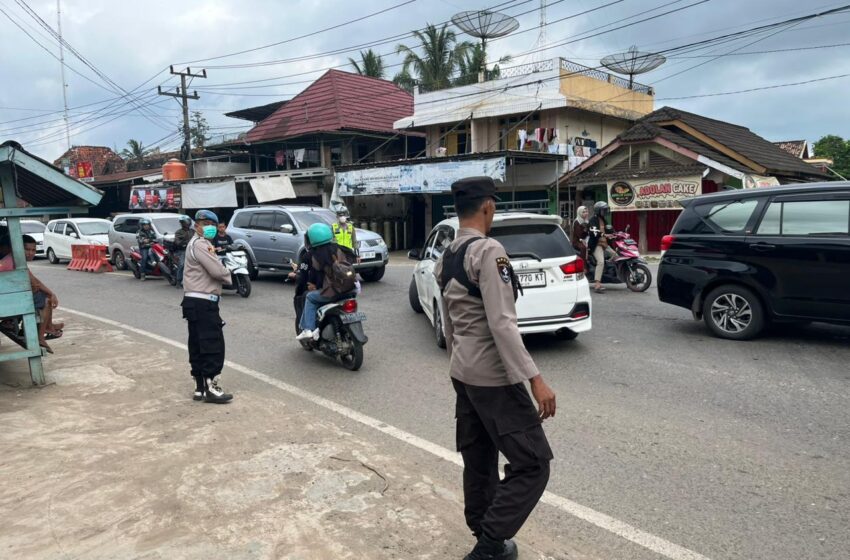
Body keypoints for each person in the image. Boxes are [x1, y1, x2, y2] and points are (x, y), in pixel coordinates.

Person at [435, 177, 556, 560]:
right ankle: (489, 547)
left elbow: (449, 324)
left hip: (463, 373)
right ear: (488, 206)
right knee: (533, 464)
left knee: (479, 457)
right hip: (493, 377)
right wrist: (535, 379)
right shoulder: (489, 251)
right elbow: (502, 323)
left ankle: (482, 528)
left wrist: (458, 366)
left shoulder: (447, 255)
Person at [181, 210, 233, 404]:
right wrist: (228, 275)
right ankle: (212, 387)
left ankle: (199, 387)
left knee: (197, 343)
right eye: (205, 224)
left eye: (212, 224)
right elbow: (216, 270)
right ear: (196, 226)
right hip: (204, 301)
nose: (209, 227)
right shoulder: (201, 244)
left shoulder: (194, 243)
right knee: (212, 343)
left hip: (192, 301)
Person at [0, 234, 64, 353]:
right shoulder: (16, 261)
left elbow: (34, 280)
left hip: (6, 297)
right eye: (27, 249)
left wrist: (50, 292)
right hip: (5, 302)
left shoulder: (12, 258)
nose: (31, 253)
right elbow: (35, 283)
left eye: (33, 250)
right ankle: (41, 336)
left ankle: (48, 326)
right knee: (46, 300)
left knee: (41, 294)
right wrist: (51, 294)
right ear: (19, 248)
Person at [296, 223, 355, 341]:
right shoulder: (341, 249)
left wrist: (308, 287)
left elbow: (312, 276)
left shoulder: (313, 255)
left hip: (333, 292)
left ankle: (308, 329)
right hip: (351, 289)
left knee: (310, 297)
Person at [587, 201, 614, 294]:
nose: (605, 212)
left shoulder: (603, 220)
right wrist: (604, 234)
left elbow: (609, 230)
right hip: (597, 245)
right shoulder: (593, 220)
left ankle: (610, 272)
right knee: (601, 261)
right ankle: (597, 284)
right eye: (603, 210)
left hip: (604, 244)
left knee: (617, 256)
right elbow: (594, 232)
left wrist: (615, 233)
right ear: (598, 211)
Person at [173, 215, 193, 286]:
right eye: (183, 222)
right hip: (183, 250)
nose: (185, 224)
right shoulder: (179, 232)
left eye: (186, 222)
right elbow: (177, 242)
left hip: (192, 250)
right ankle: (179, 280)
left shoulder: (193, 231)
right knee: (182, 264)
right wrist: (183, 242)